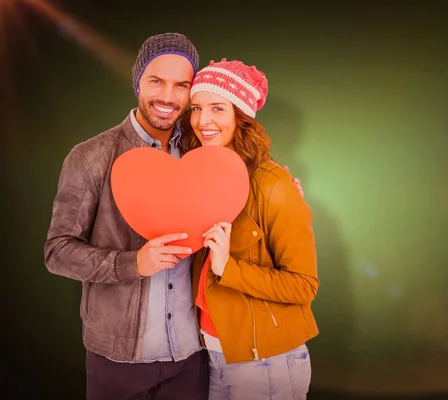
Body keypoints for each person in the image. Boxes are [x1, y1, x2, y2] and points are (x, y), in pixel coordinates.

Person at [43, 33, 303, 400]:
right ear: (137, 83)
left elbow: (242, 174)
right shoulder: (90, 157)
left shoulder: (201, 147)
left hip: (191, 356)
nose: (167, 96)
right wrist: (133, 263)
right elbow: (57, 252)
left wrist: (281, 188)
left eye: (181, 85)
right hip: (118, 357)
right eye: (156, 81)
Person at [187, 59, 319, 400]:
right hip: (214, 351)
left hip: (266, 362)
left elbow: (304, 286)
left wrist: (227, 269)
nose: (203, 120)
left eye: (218, 108)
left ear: (241, 116)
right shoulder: (202, 175)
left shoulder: (273, 184)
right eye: (197, 108)